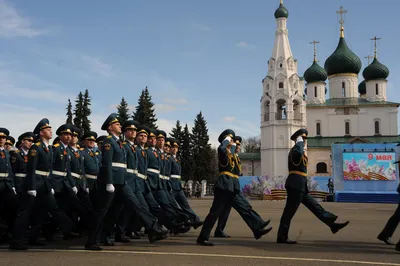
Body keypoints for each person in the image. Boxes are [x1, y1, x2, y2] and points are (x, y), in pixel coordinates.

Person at [85, 113, 168, 251]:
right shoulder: (108, 142)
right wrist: (109, 182)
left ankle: (155, 228)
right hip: (110, 182)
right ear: (110, 127)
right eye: (117, 124)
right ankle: (91, 241)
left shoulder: (118, 143)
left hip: (122, 181)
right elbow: (107, 164)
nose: (120, 126)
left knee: (128, 207)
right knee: (103, 211)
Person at [197, 129, 272, 246]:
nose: (233, 142)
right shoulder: (223, 152)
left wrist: (232, 145)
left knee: (244, 207)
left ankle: (257, 228)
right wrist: (226, 141)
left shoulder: (232, 155)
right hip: (224, 186)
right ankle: (202, 237)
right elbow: (222, 148)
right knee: (215, 213)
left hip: (233, 187)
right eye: (230, 140)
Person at [9, 119, 74, 250]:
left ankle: (36, 237)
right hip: (35, 182)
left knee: (45, 210)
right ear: (41, 132)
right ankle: (16, 241)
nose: (51, 131)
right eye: (48, 129)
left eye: (50, 129)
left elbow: (49, 169)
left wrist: (50, 186)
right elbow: (31, 169)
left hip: (45, 183)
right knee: (25, 212)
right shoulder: (36, 147)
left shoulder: (49, 148)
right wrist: (31, 187)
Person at [277, 128, 349, 244]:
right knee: (289, 212)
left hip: (301, 186)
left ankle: (332, 224)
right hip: (295, 185)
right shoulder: (295, 150)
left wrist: (301, 143)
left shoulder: (299, 150)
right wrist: (299, 142)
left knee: (315, 206)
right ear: (298, 139)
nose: (304, 141)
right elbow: (299, 153)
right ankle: (282, 237)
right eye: (303, 138)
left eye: (305, 139)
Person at [214, 136, 271, 239]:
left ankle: (219, 230)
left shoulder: (236, 157)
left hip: (234, 186)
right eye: (237, 144)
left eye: (239, 144)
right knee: (243, 208)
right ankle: (258, 226)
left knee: (225, 211)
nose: (239, 146)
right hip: (229, 187)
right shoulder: (229, 154)